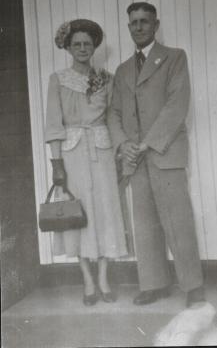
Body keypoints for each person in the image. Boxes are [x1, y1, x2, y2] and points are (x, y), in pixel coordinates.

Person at [108, 2, 204, 306]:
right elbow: (114, 113)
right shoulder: (122, 70)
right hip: (135, 158)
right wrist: (124, 143)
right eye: (133, 22)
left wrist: (147, 143)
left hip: (165, 152)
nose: (138, 27)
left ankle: (193, 286)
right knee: (145, 223)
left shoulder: (174, 58)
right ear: (127, 27)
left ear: (156, 25)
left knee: (178, 220)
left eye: (144, 22)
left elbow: (177, 105)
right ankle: (154, 284)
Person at [45, 19, 128, 306]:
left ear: (94, 47)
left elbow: (113, 118)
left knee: (105, 211)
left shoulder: (106, 79)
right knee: (77, 213)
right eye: (76, 43)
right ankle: (87, 280)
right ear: (68, 47)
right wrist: (57, 164)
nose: (82, 48)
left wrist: (119, 151)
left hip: (103, 151)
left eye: (87, 44)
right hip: (72, 153)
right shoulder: (58, 79)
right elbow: (54, 125)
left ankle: (103, 277)